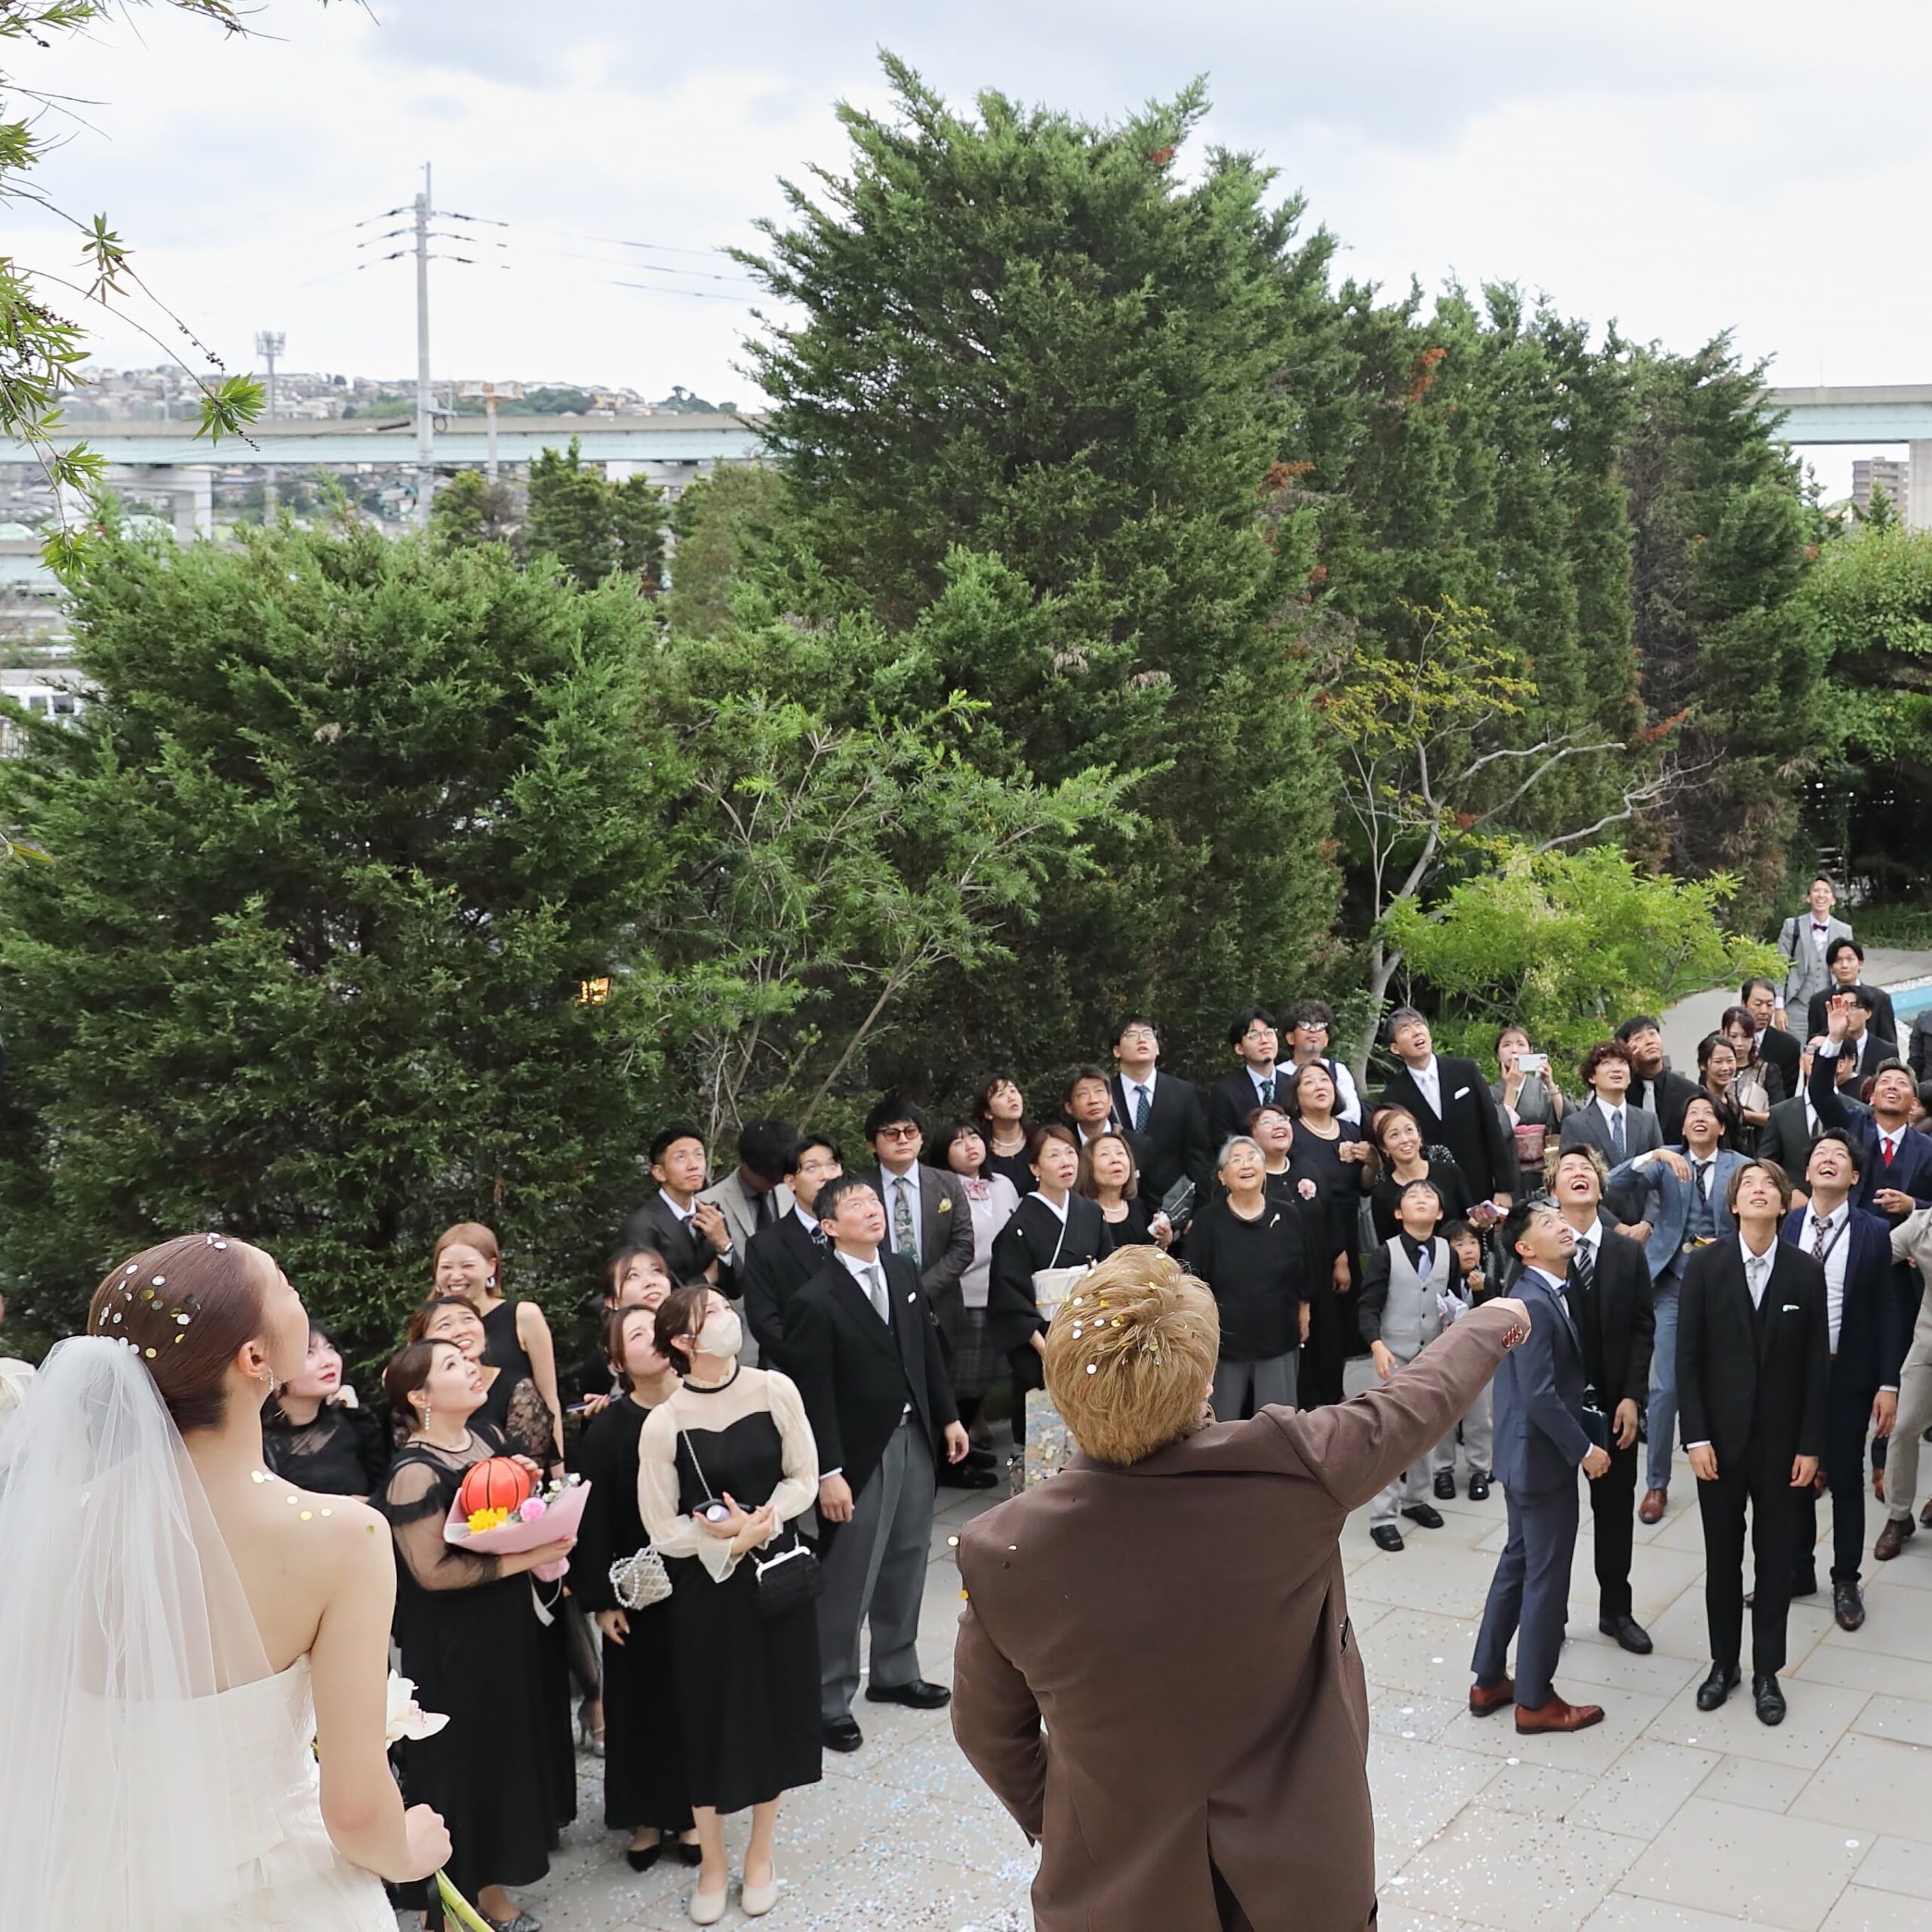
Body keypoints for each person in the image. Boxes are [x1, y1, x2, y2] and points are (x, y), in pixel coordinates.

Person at [950, 1245, 1531, 1932]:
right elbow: (1410, 1404)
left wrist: (1067, 1816)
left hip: (1114, 1893)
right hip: (1302, 1875)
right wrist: (1492, 1319)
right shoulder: (1289, 1468)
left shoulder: (1001, 1549)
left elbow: (988, 1732)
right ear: (1202, 1387)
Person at [0, 1235, 451, 1929]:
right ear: (255, 1359)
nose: (298, 1296)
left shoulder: (54, 1525)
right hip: (276, 1893)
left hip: (105, 1888)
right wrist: (409, 1851)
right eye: (285, 1285)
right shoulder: (341, 1538)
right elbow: (357, 1814)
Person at [637, 1284, 821, 1924]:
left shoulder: (774, 1389)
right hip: (705, 1591)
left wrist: (760, 1525)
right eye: (710, 1314)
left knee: (776, 1708)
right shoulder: (664, 1421)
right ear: (683, 1342)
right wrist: (723, 1543)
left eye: (722, 1307)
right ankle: (712, 1863)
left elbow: (803, 1476)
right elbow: (661, 1526)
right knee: (707, 1717)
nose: (726, 1318)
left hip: (773, 1575)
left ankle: (760, 1855)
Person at [379, 1337, 577, 1930]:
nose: (470, 1368)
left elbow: (506, 1513)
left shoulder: (487, 1437)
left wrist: (529, 1492)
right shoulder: (413, 1472)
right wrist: (531, 1554)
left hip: (503, 1628)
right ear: (420, 1397)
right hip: (451, 1645)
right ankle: (442, 1910)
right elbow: (432, 1573)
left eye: (467, 1360)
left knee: (500, 1757)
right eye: (451, 1365)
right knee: (455, 1769)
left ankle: (490, 1892)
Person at [786, 1176, 971, 1753]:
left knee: (908, 1556)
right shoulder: (815, 1299)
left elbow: (924, 1351)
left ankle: (895, 1669)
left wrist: (948, 1417)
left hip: (914, 1434)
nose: (871, 1209)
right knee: (850, 1574)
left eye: (873, 1200)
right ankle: (828, 1695)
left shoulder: (900, 1270)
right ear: (829, 1226)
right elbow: (812, 1394)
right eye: (855, 1205)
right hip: (858, 1452)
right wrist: (828, 1472)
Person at [1678, 1158, 1829, 1725]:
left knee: (1774, 1561)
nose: (1760, 1191)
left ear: (1785, 1203)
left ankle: (1768, 1671)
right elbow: (1688, 1359)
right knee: (1722, 1560)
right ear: (1734, 1203)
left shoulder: (1804, 1271)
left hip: (1782, 1447)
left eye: (1770, 1185)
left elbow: (1815, 1367)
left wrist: (1810, 1445)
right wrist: (1695, 1437)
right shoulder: (1705, 1265)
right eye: (1749, 1185)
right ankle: (1724, 1664)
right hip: (1718, 1444)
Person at [1471, 1195, 1613, 1734]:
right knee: (1546, 1578)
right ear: (1526, 1248)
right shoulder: (1532, 1301)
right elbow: (1539, 1395)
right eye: (1549, 1223)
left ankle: (1488, 1679)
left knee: (1518, 1562)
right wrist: (1585, 1450)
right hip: (1541, 1461)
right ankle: (1534, 1699)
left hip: (1522, 1456)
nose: (1563, 1226)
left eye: (1560, 1218)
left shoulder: (1544, 1292)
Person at [568, 1305, 701, 1872]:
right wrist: (600, 1601)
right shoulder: (608, 1429)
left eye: (659, 1329)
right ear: (618, 1361)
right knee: (639, 1702)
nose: (654, 1339)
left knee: (695, 1697)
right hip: (637, 1584)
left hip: (701, 1573)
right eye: (638, 1334)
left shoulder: (702, 1405)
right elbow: (591, 1519)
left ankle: (695, 1814)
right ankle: (646, 1817)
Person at [1606, 1095, 1747, 1524]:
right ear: (1683, 1128)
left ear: (1722, 1127)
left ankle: (1730, 1465)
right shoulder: (1667, 1162)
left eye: (1709, 1114)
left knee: (1728, 1382)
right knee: (1665, 1388)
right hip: (1671, 1283)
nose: (1700, 1119)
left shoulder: (1741, 1167)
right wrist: (1654, 1154)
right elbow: (1612, 1182)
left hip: (1724, 1285)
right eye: (1692, 1114)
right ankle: (1656, 1483)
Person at [1780, 1132, 1900, 1632]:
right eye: (1819, 1156)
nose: (1828, 1161)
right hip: (1790, 1374)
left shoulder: (1873, 1231)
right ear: (1807, 1173)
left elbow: (1887, 1311)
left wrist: (1888, 1383)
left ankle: (1846, 1579)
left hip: (1847, 1371)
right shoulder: (1786, 1224)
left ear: (1855, 1177)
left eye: (1840, 1157)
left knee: (1846, 1478)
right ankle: (1798, 1569)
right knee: (1792, 1475)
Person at [1552, 1147, 1656, 1654]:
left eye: (1587, 1170)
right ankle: (1549, 1615)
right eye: (1567, 1170)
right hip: (1554, 1407)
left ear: (1600, 1187)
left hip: (1615, 1407)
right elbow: (1517, 1327)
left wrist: (1633, 1397)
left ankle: (1617, 1610)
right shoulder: (1539, 1249)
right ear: (1553, 1190)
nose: (1579, 1175)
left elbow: (1642, 1328)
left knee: (1615, 1514)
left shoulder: (1625, 1252)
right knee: (1552, 1519)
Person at [986, 1124, 1117, 1483]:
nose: (1066, 1162)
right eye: (1054, 1155)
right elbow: (1010, 1298)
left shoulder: (1090, 1213)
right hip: (1042, 1346)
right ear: (1035, 1168)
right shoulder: (1018, 1226)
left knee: (1095, 1440)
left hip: (1090, 1340)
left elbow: (1108, 1274)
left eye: (1071, 1153)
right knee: (1043, 1449)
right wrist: (1049, 1351)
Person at [1183, 1135, 1313, 1421]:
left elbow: (1305, 1269)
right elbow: (1192, 1281)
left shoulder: (1288, 1215)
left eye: (1253, 1157)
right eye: (1236, 1159)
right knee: (1220, 1423)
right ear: (1222, 1176)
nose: (1246, 1165)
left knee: (1279, 1424)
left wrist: (1304, 1311)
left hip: (1278, 1332)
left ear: (1264, 1168)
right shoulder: (1207, 1222)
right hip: (1224, 1339)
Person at [1358, 1179, 1454, 1549]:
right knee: (1390, 1433)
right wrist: (1377, 1345)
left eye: (1429, 1196)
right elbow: (1368, 1305)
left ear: (1440, 1213)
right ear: (1398, 1213)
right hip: (1394, 1355)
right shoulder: (1387, 1253)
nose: (1421, 1199)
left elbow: (1452, 1298)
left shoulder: (1447, 1252)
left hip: (1432, 1354)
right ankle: (1383, 1516)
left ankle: (1418, 1498)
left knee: (1428, 1428)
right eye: (1412, 1196)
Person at [931, 1119, 1023, 1469]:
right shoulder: (941, 1189)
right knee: (964, 1380)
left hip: (1005, 1293)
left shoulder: (1003, 1184)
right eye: (958, 1142)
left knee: (988, 1377)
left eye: (973, 1137)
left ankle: (962, 1449)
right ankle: (949, 1455)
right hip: (965, 1295)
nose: (970, 1145)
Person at [432, 1222, 564, 1461]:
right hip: (453, 1460)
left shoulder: (523, 1315)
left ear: (491, 1267)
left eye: (467, 1266)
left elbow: (549, 1398)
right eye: (447, 1267)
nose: (456, 1276)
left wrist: (558, 1471)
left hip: (521, 1458)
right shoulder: (431, 1324)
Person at [1286, 1061, 1374, 1408]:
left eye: (1325, 1080)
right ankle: (1307, 1399)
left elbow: (1364, 1187)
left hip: (1349, 1229)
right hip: (1311, 1235)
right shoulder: (1293, 1133)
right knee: (1314, 1319)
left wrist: (1371, 1162)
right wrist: (1337, 1255)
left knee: (1340, 1322)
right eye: (1308, 1082)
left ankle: (1335, 1395)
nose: (1319, 1086)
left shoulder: (1350, 1130)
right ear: (1296, 1096)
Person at [1377, 1007, 1518, 1214]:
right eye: (1405, 1029)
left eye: (1419, 1025)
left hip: (1480, 1184)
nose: (1416, 1032)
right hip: (1435, 1196)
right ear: (1395, 1048)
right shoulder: (1394, 1095)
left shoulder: (1466, 1070)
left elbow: (1492, 1127)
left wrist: (1504, 1187)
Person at [408, 1295, 558, 1469]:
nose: (461, 1331)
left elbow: (527, 1465)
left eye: (468, 1319)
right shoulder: (416, 1397)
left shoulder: (517, 1389)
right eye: (445, 1325)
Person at [859, 1095, 975, 1311]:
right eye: (891, 1134)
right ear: (872, 1145)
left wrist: (919, 1291)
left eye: (910, 1132)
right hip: (880, 1304)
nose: (903, 1140)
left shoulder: (948, 1184)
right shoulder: (858, 1190)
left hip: (941, 1307)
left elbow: (963, 1247)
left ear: (921, 1138)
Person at [741, 1134, 842, 1367]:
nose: (826, 1175)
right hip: (800, 1368)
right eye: (812, 1168)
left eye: (832, 1165)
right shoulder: (765, 1246)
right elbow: (764, 1321)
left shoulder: (862, 1231)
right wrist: (810, 1358)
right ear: (790, 1182)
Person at [264, 1321, 389, 1498]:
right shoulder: (256, 1444)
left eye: (330, 1348)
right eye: (309, 1353)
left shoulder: (356, 1423)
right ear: (274, 1374)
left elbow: (386, 1495)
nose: (328, 1362)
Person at [1875, 1203, 1932, 1563]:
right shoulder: (1920, 1226)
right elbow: (1871, 1257)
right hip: (1929, 1341)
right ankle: (1899, 1517)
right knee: (1903, 1427)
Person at [1107, 1014, 1212, 1203]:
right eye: (1132, 1035)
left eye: (1148, 1034)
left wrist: (1198, 1206)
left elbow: (1197, 1154)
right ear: (1117, 1051)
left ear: (1157, 1048)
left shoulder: (1183, 1092)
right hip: (1118, 1203)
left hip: (1170, 1203)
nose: (1141, 1040)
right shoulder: (1105, 1094)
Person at [1559, 1039, 1664, 1219]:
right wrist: (1614, 1226)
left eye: (1622, 1063)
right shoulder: (1575, 1124)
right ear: (1592, 1077)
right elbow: (1574, 1183)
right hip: (1598, 1222)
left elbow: (1659, 1175)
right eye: (1606, 1063)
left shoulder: (1648, 1121)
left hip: (1645, 1225)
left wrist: (1648, 1222)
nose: (1616, 1069)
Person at [625, 1125, 737, 1292]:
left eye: (699, 1155)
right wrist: (708, 1277)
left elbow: (736, 1288)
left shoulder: (710, 1214)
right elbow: (647, 1292)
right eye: (681, 1158)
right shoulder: (641, 1225)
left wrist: (724, 1245)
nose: (694, 1165)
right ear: (660, 1172)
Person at [568, 1244, 675, 1414]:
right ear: (612, 1301)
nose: (650, 1282)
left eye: (656, 1271)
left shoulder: (698, 1329)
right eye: (633, 1276)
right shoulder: (604, 1360)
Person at [1442, 1217, 1497, 1498]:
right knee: (1443, 1417)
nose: (1468, 1250)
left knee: (1480, 1416)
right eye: (1459, 1244)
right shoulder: (1440, 1279)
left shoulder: (1487, 1278)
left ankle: (1480, 1469)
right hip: (1445, 1359)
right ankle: (1442, 1471)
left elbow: (1493, 1318)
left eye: (1473, 1242)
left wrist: (1480, 1292)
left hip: (1479, 1359)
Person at [1367, 1102, 1471, 1244]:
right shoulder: (1382, 1194)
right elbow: (1387, 1247)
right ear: (1384, 1148)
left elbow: (1468, 1221)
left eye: (1409, 1130)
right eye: (1394, 1135)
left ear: (1420, 1136)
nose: (1405, 1140)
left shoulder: (1450, 1172)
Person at [699, 1118, 796, 1262]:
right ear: (744, 1163)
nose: (775, 1183)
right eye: (769, 1178)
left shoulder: (794, 1193)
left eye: (780, 1178)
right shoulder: (708, 1204)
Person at [1076, 1127, 1174, 1248]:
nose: (1115, 1160)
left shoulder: (1137, 1206)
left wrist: (1162, 1242)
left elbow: (1145, 1254)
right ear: (1088, 1167)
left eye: (1120, 1153)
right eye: (1104, 1154)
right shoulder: (1080, 1212)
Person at [1208, 1005, 1289, 1146]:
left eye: (1269, 1033)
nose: (1264, 1040)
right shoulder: (1225, 1092)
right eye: (1254, 1036)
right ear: (1239, 1049)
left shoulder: (1294, 1084)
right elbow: (1223, 1142)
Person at [1492, 1023, 1567, 1175]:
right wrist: (1511, 1087)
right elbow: (1498, 1131)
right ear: (1498, 1055)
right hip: (1507, 1171)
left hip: (1543, 1170)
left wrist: (1551, 1085)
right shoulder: (1489, 1093)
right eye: (1507, 1045)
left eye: (1521, 1044)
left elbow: (1567, 1120)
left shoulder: (1542, 1088)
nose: (1514, 1050)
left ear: (1531, 1052)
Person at [1776, 875, 1852, 1024]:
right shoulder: (1792, 926)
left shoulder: (1844, 931)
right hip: (1796, 1006)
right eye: (1816, 890)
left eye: (1826, 891)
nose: (1821, 895)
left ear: (1833, 900)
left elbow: (1848, 971)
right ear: (1808, 898)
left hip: (1830, 1008)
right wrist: (1779, 1007)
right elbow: (1779, 967)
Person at [1615, 1016, 1701, 1146]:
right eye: (1639, 1038)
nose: (1649, 1041)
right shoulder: (1619, 1093)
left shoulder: (1690, 1092)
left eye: (1652, 1034)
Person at [1805, 937, 1900, 1048]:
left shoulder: (1880, 999)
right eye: (1838, 960)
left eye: (1850, 959)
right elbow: (1813, 1043)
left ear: (1860, 964)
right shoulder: (1818, 1001)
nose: (1844, 965)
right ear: (1831, 967)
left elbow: (1889, 1042)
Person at [1283, 998, 1364, 1122]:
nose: (1313, 1030)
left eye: (1320, 1026)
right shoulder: (1277, 1074)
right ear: (1290, 1038)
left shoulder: (1338, 1071)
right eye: (1305, 1025)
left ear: (1326, 1039)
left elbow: (1352, 1114)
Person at [971, 1074, 1039, 1196]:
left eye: (1013, 1091)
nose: (1011, 1098)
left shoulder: (1039, 1140)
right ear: (988, 1113)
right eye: (1001, 1095)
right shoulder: (980, 1152)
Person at [1742, 976, 1802, 1096]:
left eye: (1769, 1005)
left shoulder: (1789, 1046)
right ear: (1744, 1004)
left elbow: (1786, 1096)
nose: (1764, 1011)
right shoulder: (1724, 1040)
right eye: (1758, 1004)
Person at [1694, 1032, 1752, 1152]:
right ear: (1703, 1066)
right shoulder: (1698, 1101)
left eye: (1730, 1061)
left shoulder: (1733, 1102)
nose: (1725, 1068)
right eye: (1718, 1062)